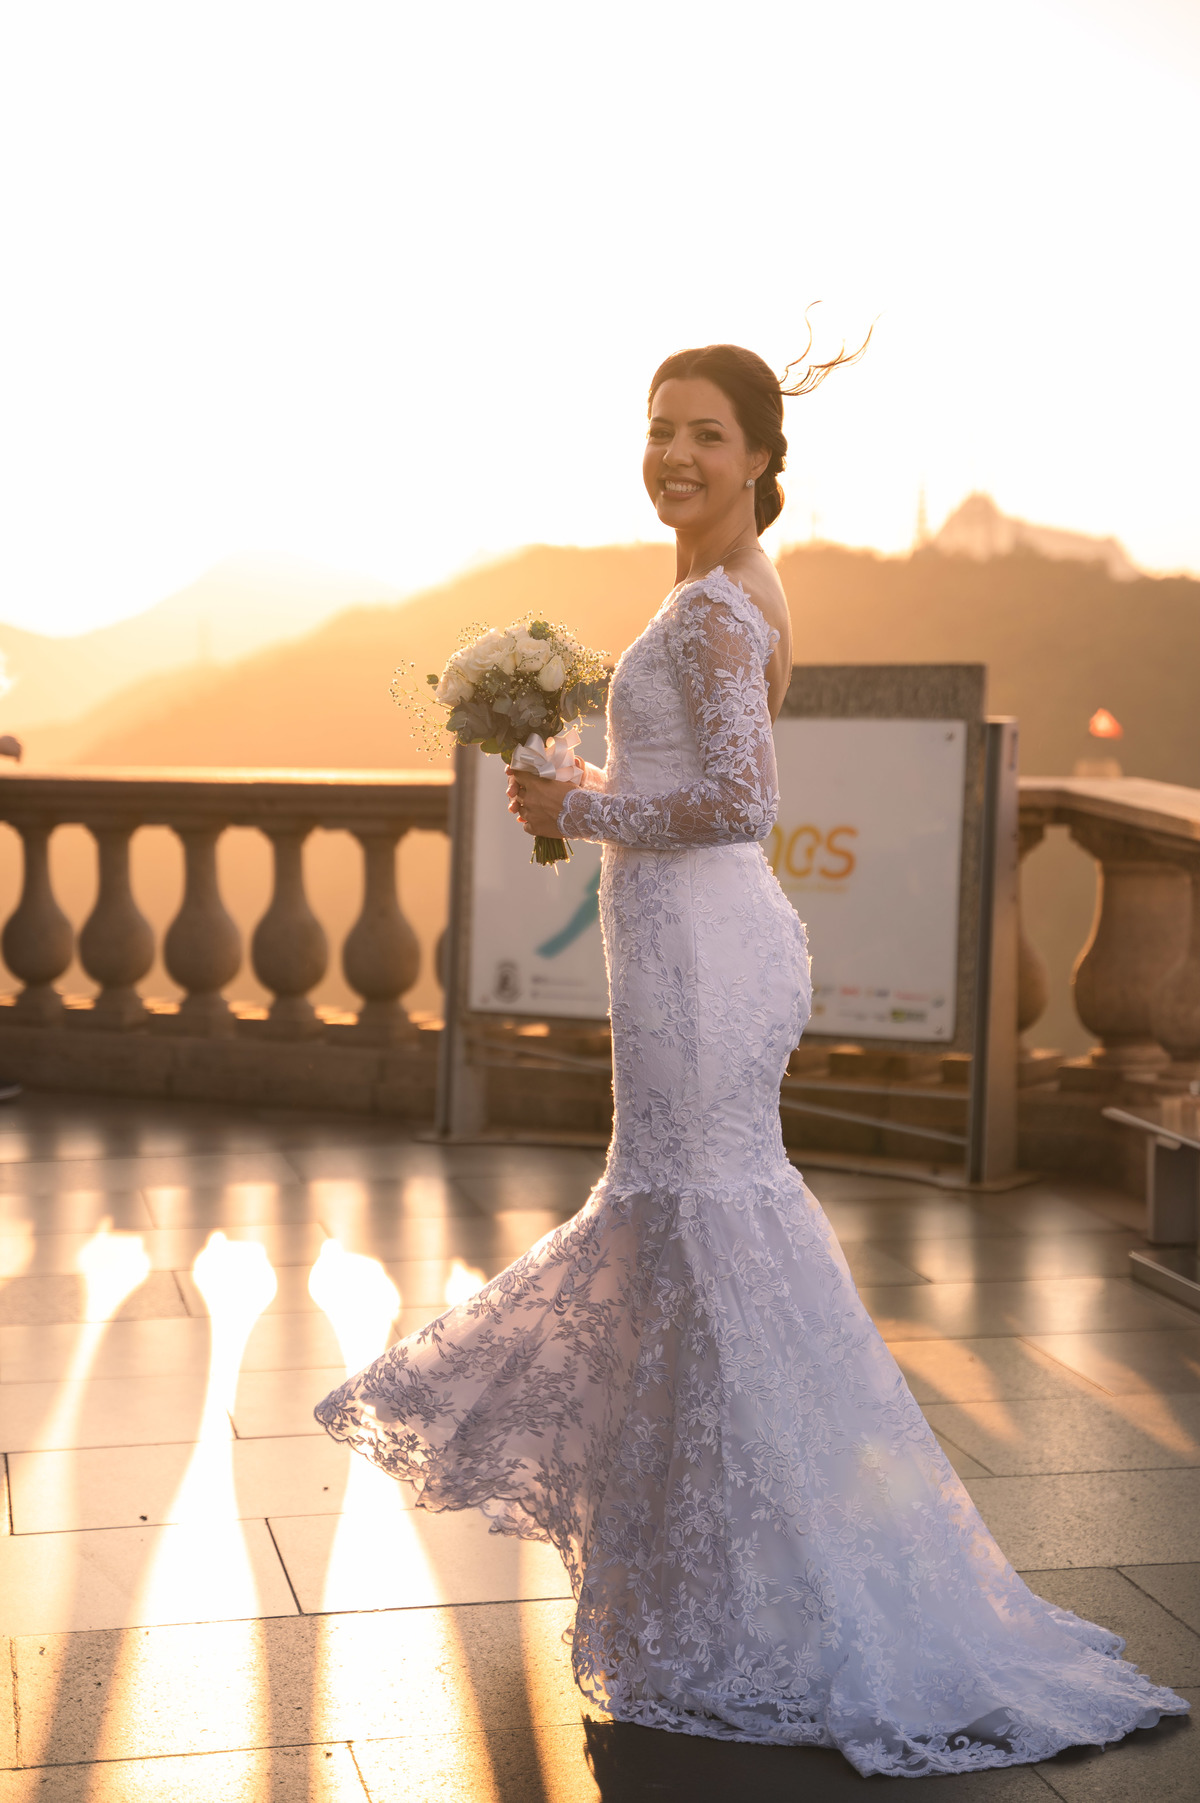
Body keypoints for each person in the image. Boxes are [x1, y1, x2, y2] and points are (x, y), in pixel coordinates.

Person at [316, 343, 1188, 1777]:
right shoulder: (710, 594)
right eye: (660, 428)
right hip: (689, 951)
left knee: (694, 1221)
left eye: (707, 434)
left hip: (704, 959)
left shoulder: (721, 607)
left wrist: (580, 810)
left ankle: (779, 1596)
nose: (676, 454)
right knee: (689, 1235)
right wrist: (586, 783)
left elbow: (734, 801)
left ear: (763, 459)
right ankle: (716, 1596)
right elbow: (691, 786)